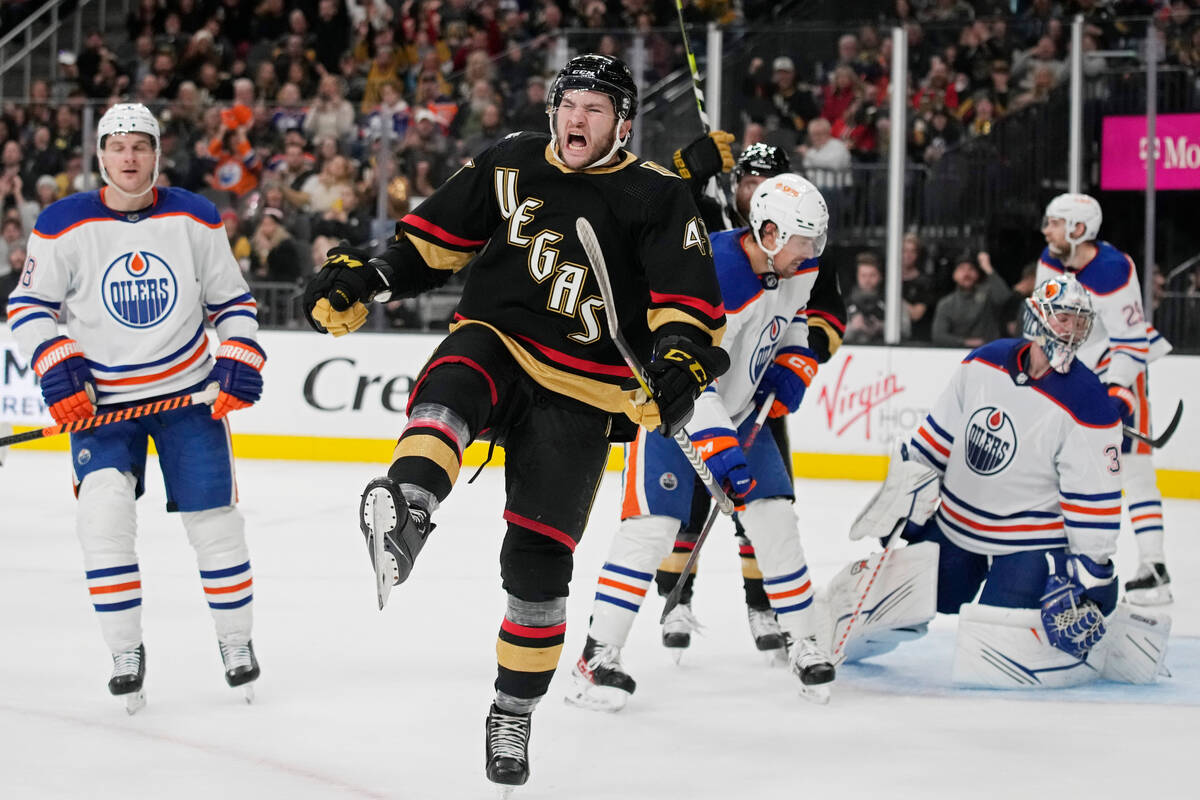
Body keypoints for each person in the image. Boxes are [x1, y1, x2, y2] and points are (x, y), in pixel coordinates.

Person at [299, 54, 727, 792]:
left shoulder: (656, 195)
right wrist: (366, 278)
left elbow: (684, 306)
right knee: (456, 374)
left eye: (596, 109)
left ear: (623, 123)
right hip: (499, 337)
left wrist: (681, 362)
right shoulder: (511, 161)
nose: (577, 119)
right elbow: (432, 244)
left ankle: (512, 709)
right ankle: (409, 506)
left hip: (588, 390)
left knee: (537, 567)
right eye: (569, 104)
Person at [4, 103, 266, 713]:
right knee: (103, 521)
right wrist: (53, 356)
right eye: (117, 147)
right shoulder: (62, 222)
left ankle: (236, 643)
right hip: (101, 406)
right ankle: (125, 651)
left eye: (139, 147)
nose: (128, 158)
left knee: (216, 527)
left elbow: (233, 301)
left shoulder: (194, 216)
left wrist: (241, 351)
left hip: (188, 397)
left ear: (156, 154)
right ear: (100, 155)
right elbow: (28, 306)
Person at [568, 173, 838, 711]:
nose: (812, 253)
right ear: (768, 233)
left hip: (742, 412)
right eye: (804, 240)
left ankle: (806, 639)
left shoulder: (796, 266)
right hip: (670, 409)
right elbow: (695, 379)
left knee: (774, 520)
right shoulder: (713, 277)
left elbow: (794, 324)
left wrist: (793, 364)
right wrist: (722, 450)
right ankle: (597, 656)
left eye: (815, 240)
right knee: (653, 529)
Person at [825, 275, 1163, 687]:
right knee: (896, 603)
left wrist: (1094, 574)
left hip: (1029, 544)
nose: (1071, 330)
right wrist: (904, 503)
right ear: (1037, 318)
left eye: (1079, 322)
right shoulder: (984, 362)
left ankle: (1106, 639)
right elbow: (935, 441)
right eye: (1063, 319)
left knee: (995, 646)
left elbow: (1093, 499)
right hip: (957, 528)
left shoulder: (1089, 402)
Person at [657, 141, 846, 658]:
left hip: (763, 396)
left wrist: (802, 358)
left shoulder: (802, 242)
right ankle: (677, 600)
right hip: (708, 395)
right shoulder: (715, 225)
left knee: (763, 507)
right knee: (689, 503)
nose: (753, 188)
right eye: (747, 178)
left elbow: (823, 311)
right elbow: (664, 221)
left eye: (767, 178)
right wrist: (688, 172)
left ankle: (763, 605)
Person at [1036, 194, 1175, 604]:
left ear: (1079, 230)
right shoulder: (1050, 258)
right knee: (1055, 467)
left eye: (1055, 223)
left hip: (1117, 370)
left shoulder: (1114, 269)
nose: (1047, 231)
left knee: (1133, 467)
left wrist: (1118, 390)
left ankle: (1155, 566)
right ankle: (1053, 559)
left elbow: (1131, 341)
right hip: (1072, 372)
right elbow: (1050, 322)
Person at [930, 251, 1009, 347]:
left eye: (971, 269)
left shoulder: (988, 294)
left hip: (989, 352)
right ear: (954, 275)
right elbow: (938, 336)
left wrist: (988, 268)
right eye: (962, 269)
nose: (967, 273)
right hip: (957, 355)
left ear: (977, 274)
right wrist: (965, 342)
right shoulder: (946, 303)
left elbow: (1004, 298)